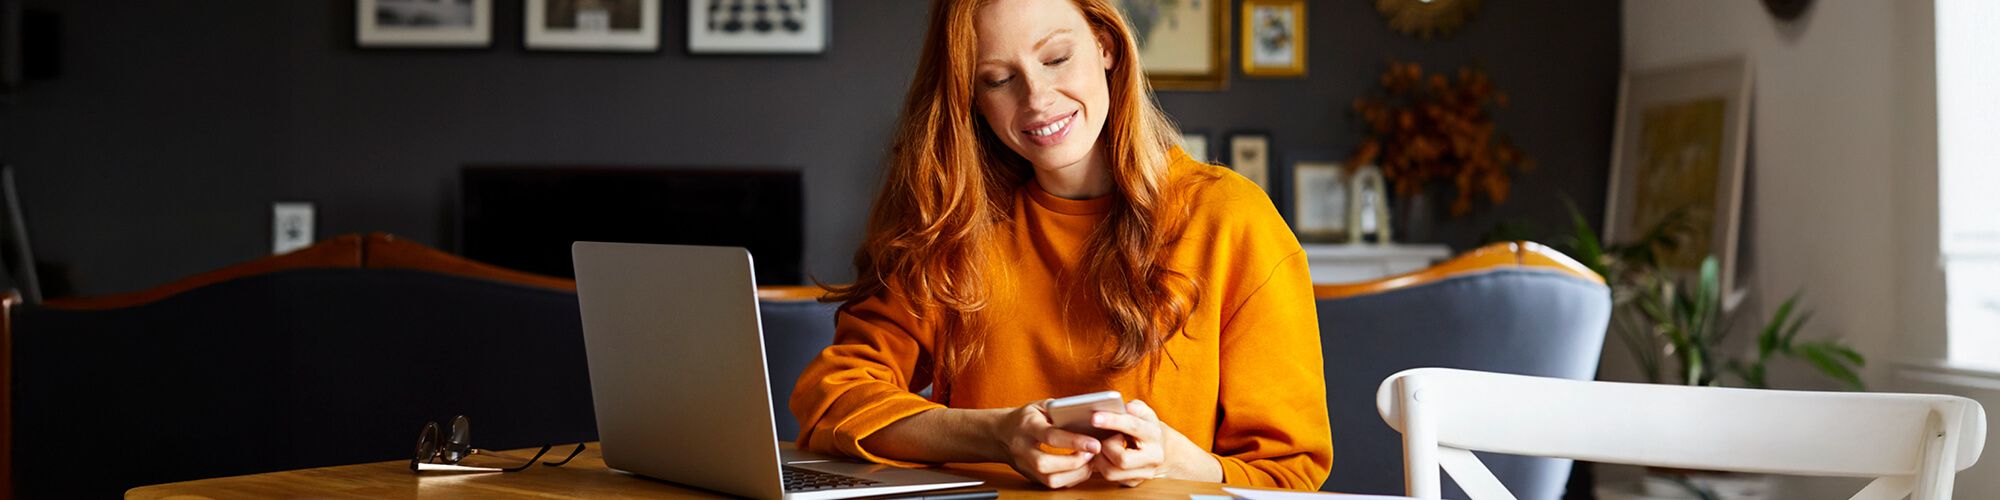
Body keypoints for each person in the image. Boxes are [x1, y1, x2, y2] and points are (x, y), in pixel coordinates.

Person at [790, 0, 1329, 491]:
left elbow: (1288, 474)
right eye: (998, 79)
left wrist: (1173, 460)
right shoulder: (956, 227)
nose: (1037, 100)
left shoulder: (1231, 221)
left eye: (1056, 59)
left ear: (1106, 45)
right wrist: (996, 434)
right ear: (972, 100)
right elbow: (832, 398)